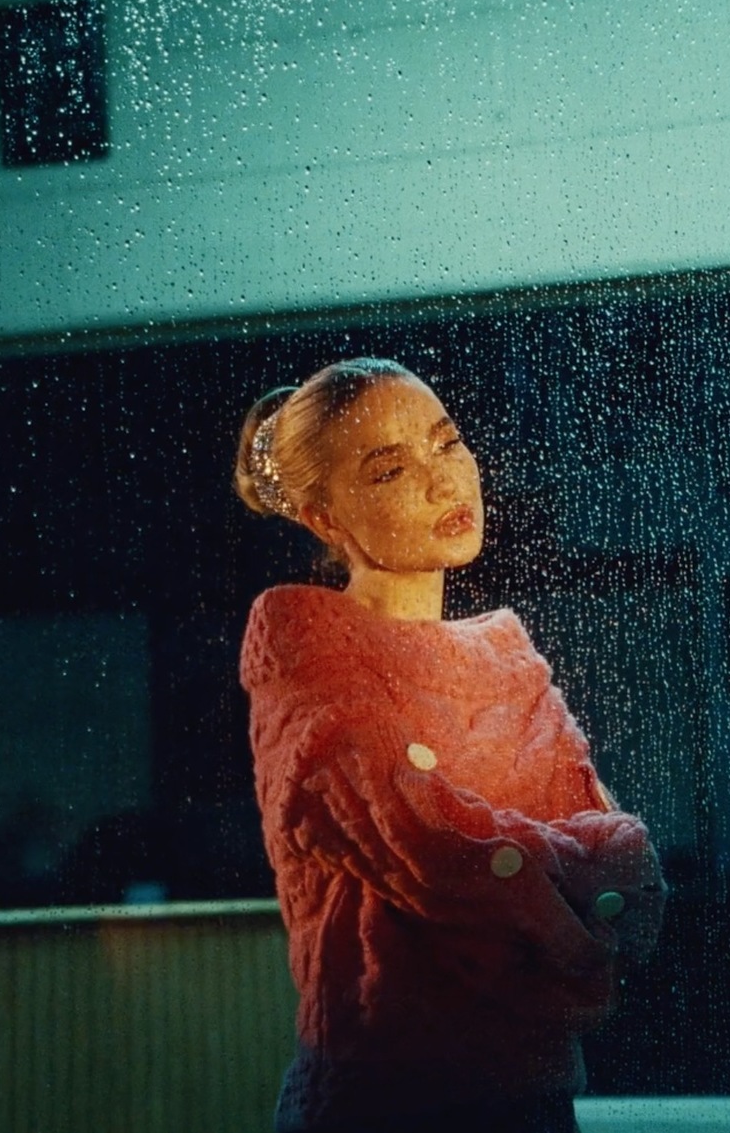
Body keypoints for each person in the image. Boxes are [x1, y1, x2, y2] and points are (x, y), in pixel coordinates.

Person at [235, 357, 666, 1133]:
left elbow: (623, 862)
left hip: (534, 1096)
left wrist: (516, 894)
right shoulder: (301, 642)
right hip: (380, 1102)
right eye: (389, 468)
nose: (443, 480)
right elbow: (423, 841)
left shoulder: (505, 654)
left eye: (447, 441)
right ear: (323, 517)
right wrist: (552, 901)